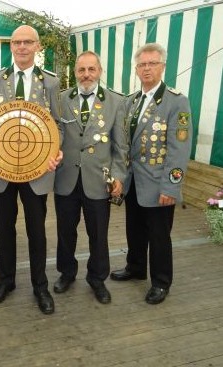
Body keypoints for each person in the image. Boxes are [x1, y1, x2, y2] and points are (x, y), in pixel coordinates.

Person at [0, 25, 62, 315]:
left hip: (37, 170)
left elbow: (57, 125)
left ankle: (40, 286)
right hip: (0, 168)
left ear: (38, 47)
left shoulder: (50, 82)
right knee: (4, 228)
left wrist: (55, 152)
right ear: (11, 46)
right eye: (16, 42)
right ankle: (6, 281)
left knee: (37, 230)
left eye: (28, 42)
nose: (22, 47)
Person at [110, 43, 192, 305]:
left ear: (162, 66)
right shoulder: (131, 100)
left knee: (159, 236)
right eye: (142, 65)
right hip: (134, 181)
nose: (147, 69)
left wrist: (171, 187)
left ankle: (161, 281)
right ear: (136, 69)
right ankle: (135, 267)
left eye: (152, 64)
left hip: (158, 184)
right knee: (134, 229)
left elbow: (179, 149)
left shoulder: (176, 101)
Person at [53, 51, 128, 304]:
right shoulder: (61, 99)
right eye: (81, 70)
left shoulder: (116, 102)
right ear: (75, 72)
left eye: (91, 70)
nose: (86, 75)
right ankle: (66, 272)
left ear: (100, 71)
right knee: (65, 231)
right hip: (66, 178)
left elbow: (121, 146)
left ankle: (97, 279)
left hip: (98, 180)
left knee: (98, 234)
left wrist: (118, 176)